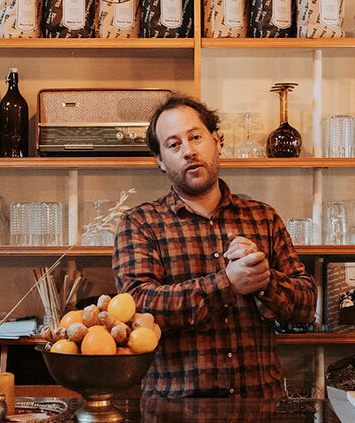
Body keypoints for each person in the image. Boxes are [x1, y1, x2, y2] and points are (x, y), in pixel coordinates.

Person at [113, 94, 317, 398]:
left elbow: (307, 305)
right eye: (173, 144)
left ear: (217, 141)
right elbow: (138, 306)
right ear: (160, 160)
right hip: (176, 413)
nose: (189, 151)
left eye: (195, 137)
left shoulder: (263, 217)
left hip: (259, 409)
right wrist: (227, 283)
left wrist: (265, 281)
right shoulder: (140, 223)